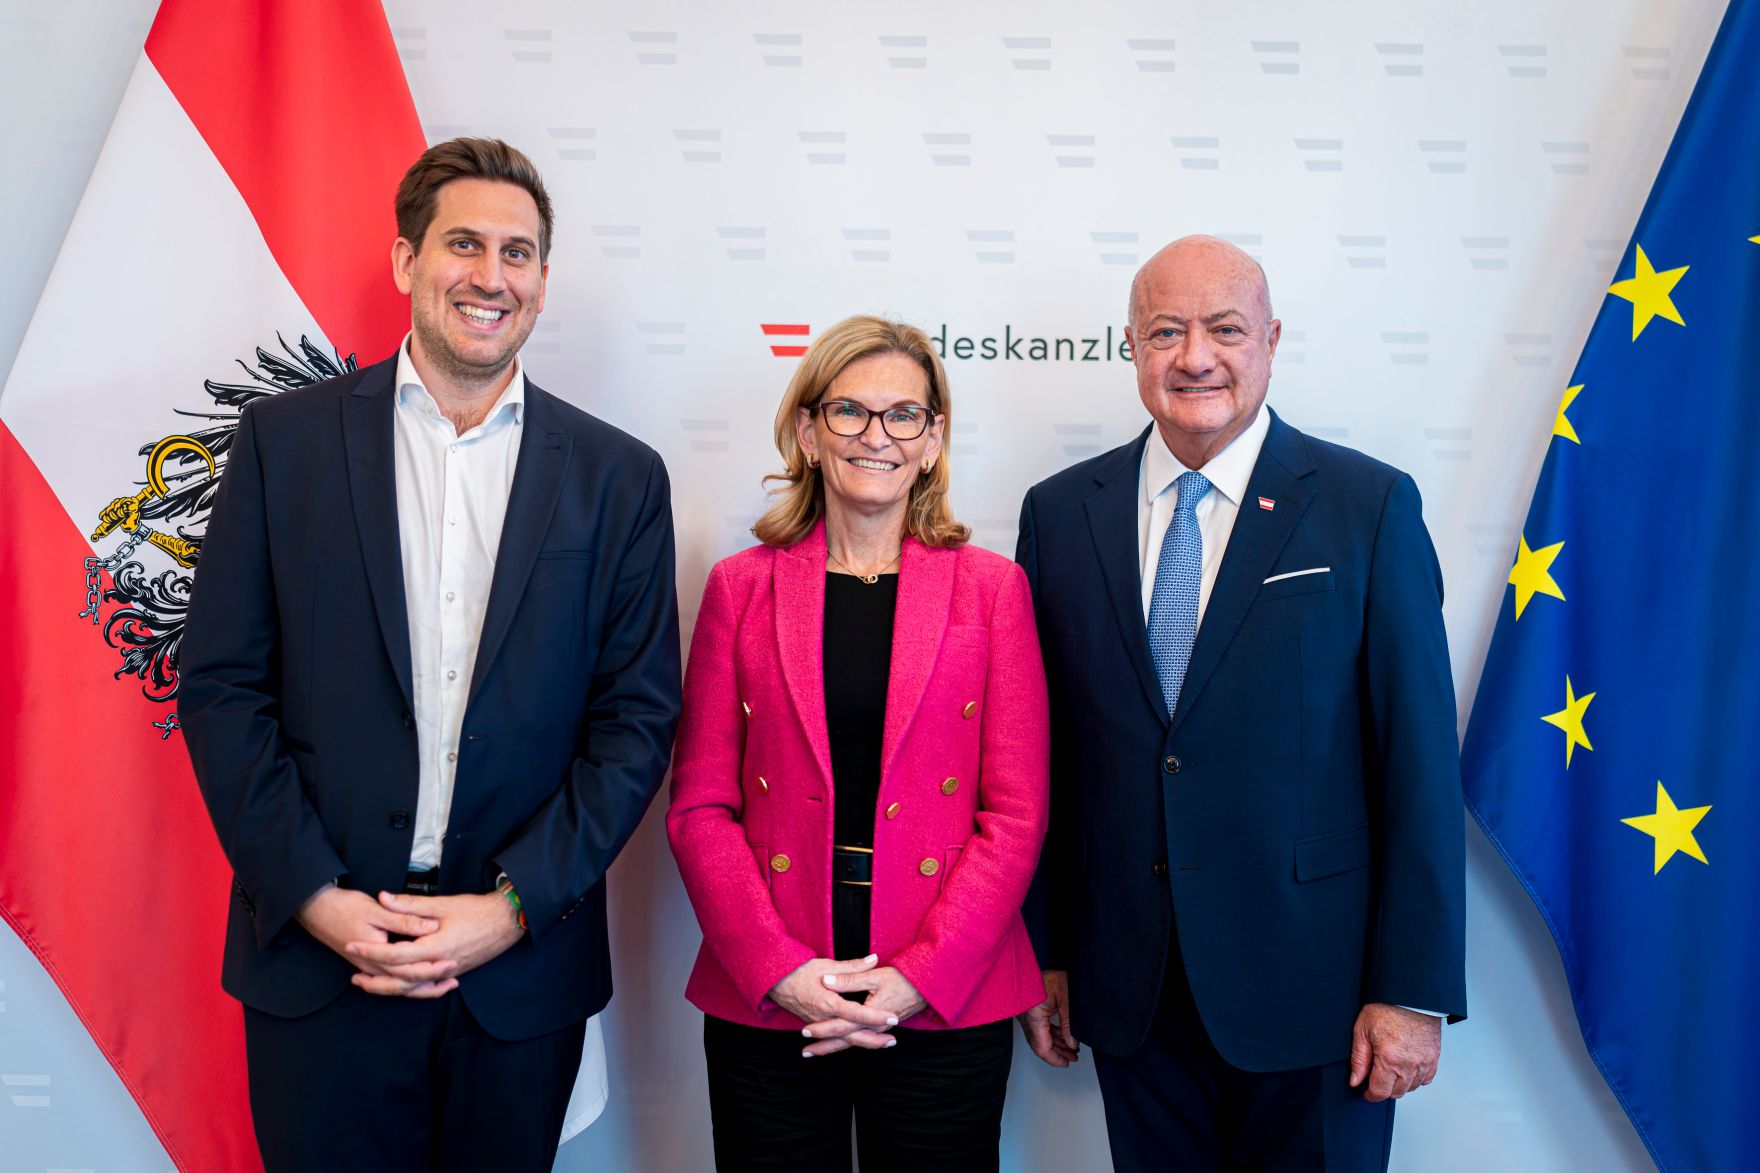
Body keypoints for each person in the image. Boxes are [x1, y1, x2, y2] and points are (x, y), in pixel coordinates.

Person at [179, 137, 681, 1172]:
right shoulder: (283, 446)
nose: (490, 277)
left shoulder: (618, 478)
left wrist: (507, 911)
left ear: (543, 278)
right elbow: (224, 689)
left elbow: (634, 724)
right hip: (320, 966)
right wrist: (317, 899)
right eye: (463, 244)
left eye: (518, 252)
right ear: (407, 260)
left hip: (516, 972)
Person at [1015, 236, 1466, 1170]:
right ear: (1131, 345)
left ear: (1270, 340)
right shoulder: (1060, 513)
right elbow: (1044, 753)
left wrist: (1413, 989)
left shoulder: (1365, 504)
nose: (1195, 357)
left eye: (1224, 329)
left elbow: (1419, 761)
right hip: (1129, 987)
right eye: (1166, 330)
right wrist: (1046, 949)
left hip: (1321, 995)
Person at [666, 315, 1049, 1171]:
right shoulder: (741, 587)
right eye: (850, 412)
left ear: (933, 437)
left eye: (903, 415)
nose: (876, 436)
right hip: (773, 991)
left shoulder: (993, 591)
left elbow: (1016, 812)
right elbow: (699, 805)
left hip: (945, 988)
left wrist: (919, 976)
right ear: (808, 429)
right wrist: (777, 968)